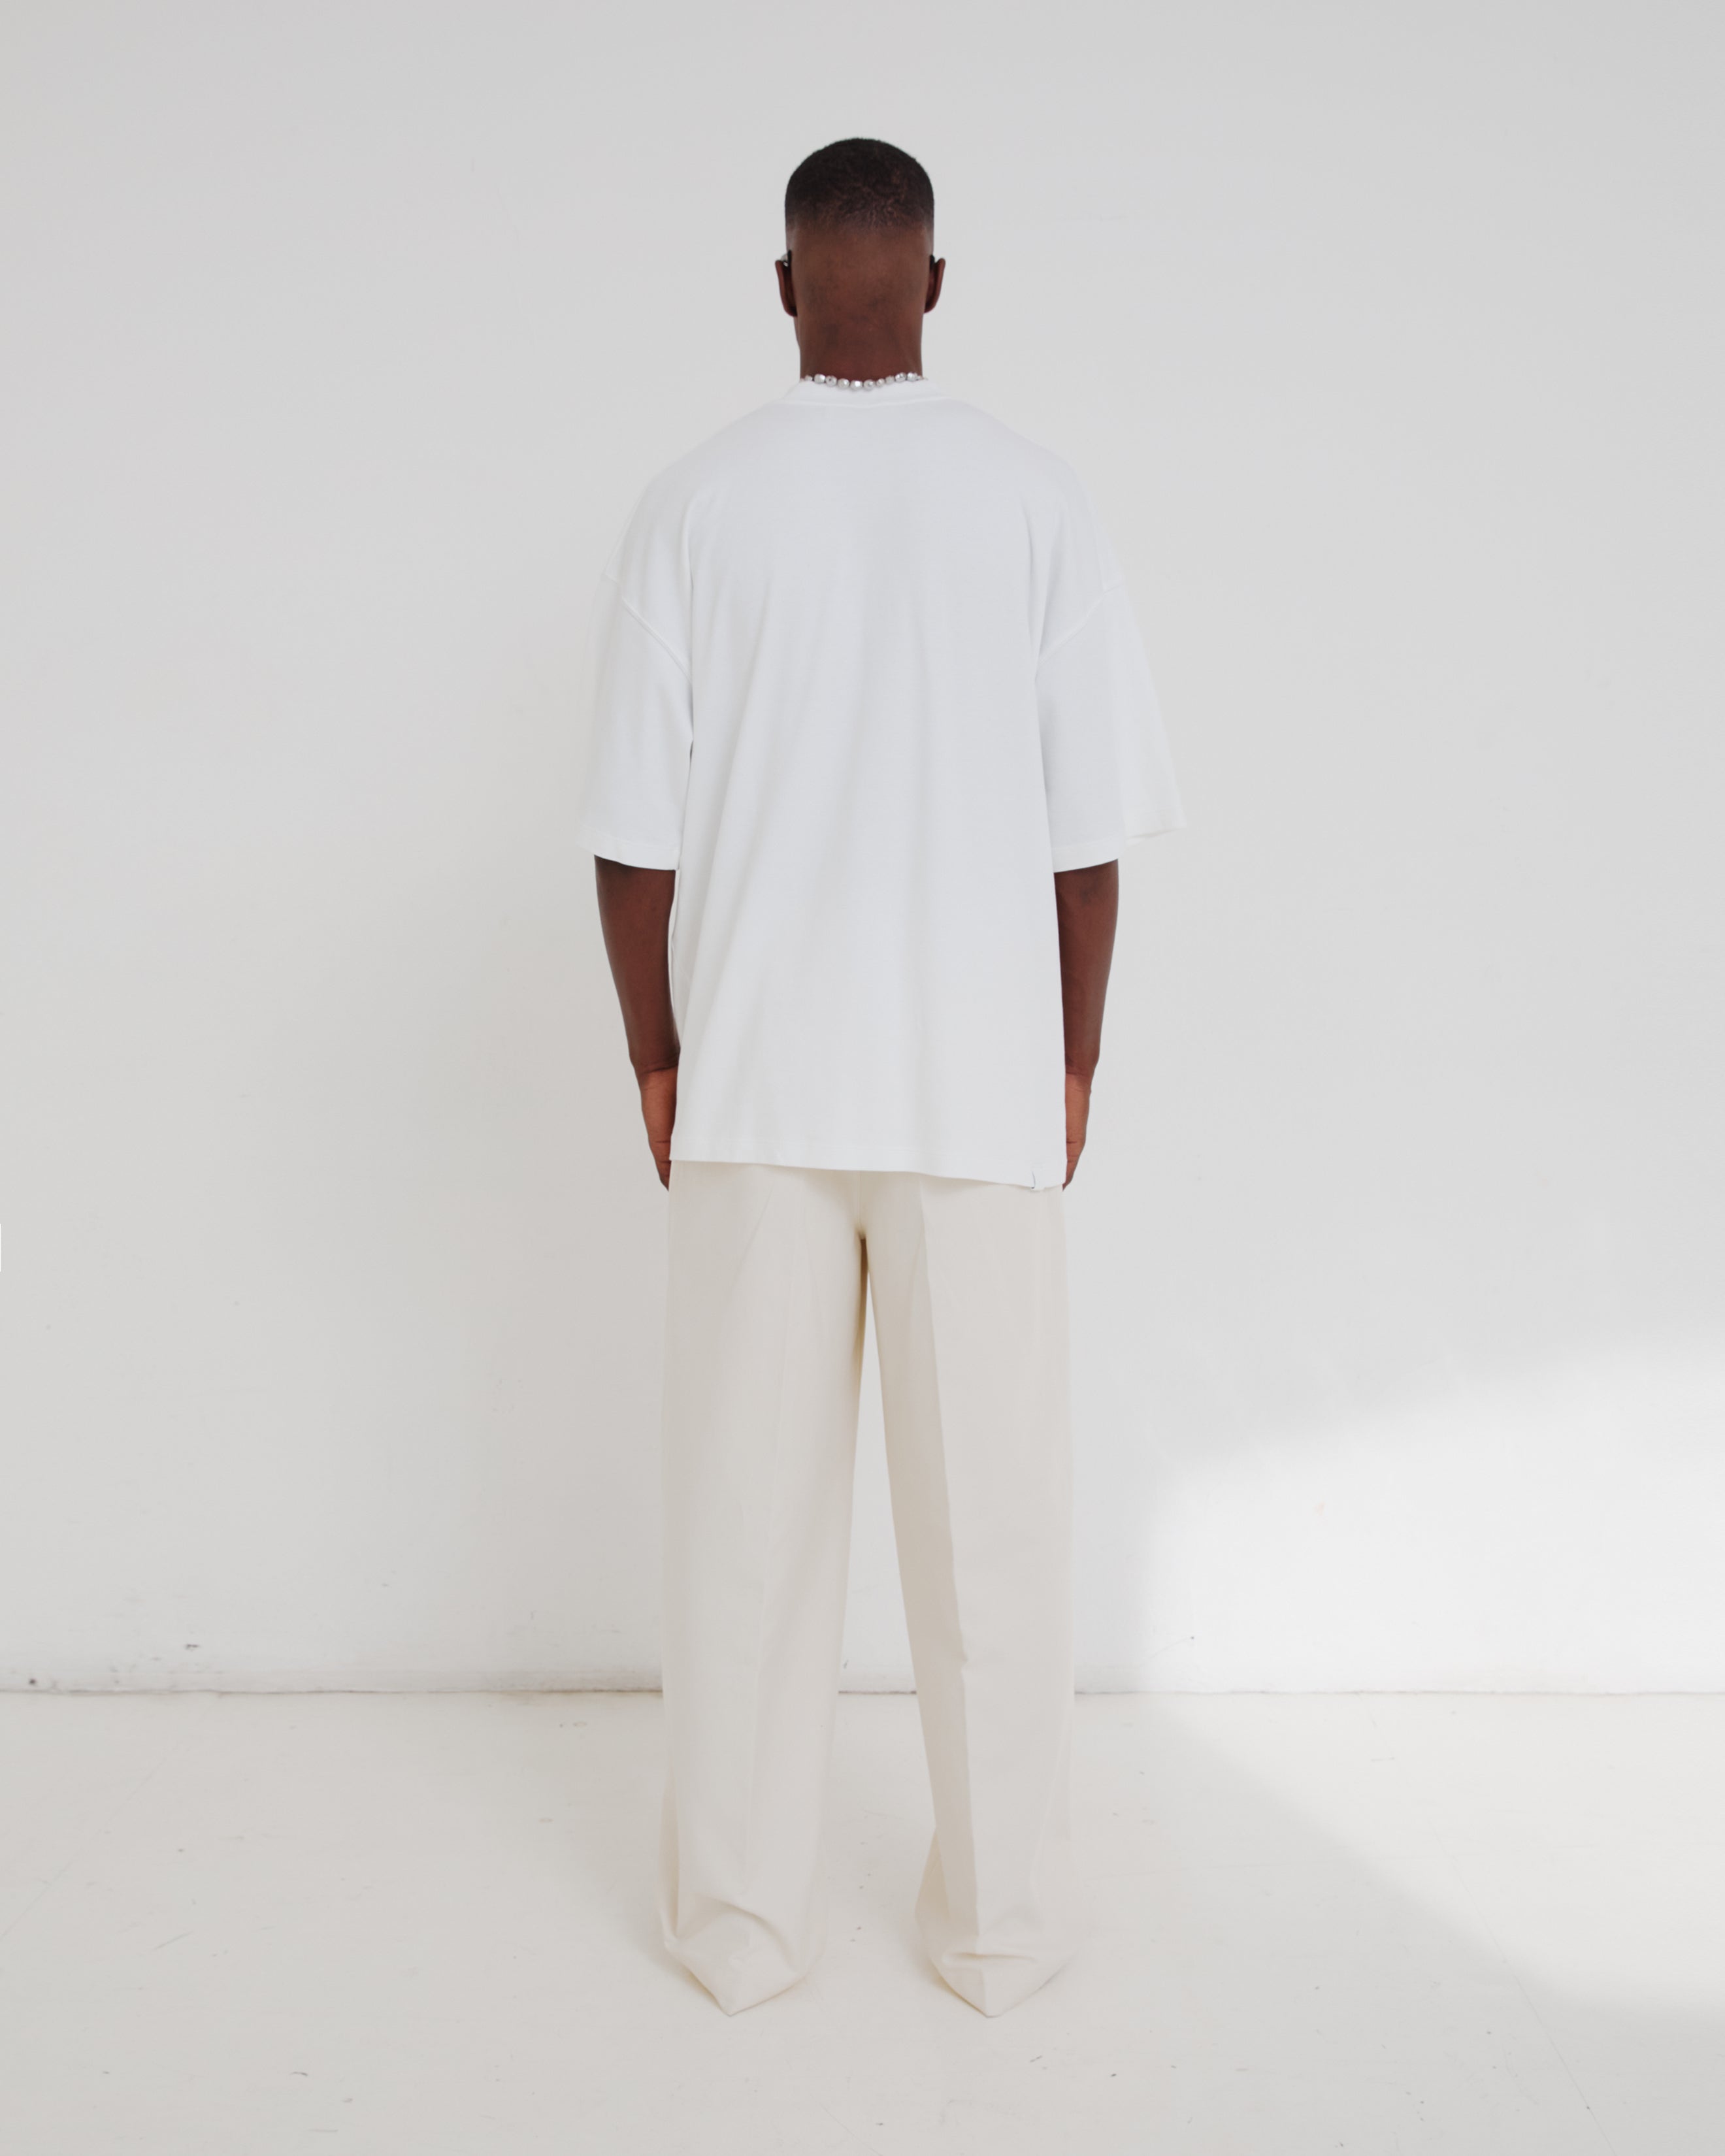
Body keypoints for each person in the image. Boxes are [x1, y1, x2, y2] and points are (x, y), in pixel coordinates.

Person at [579, 137, 1182, 2017]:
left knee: (743, 1537)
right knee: (992, 1535)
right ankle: (1001, 1935)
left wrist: (657, 1053)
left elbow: (631, 844)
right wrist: (1073, 1053)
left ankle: (739, 1932)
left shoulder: (694, 505)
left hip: (758, 1085)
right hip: (976, 1084)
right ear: (933, 282)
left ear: (783, 287)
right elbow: (1090, 838)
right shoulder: (1037, 500)